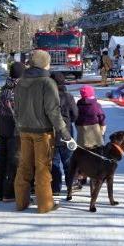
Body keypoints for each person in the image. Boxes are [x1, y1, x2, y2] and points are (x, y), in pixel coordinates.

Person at [13, 50, 75, 214]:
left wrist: (18, 125)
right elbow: (53, 111)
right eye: (48, 62)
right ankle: (45, 204)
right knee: (42, 169)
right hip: (42, 132)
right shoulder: (47, 83)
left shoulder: (20, 82)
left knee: (24, 166)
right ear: (43, 63)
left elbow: (16, 109)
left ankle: (21, 202)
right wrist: (65, 133)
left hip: (23, 131)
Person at [0, 61, 25, 202]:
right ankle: (8, 193)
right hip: (13, 130)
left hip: (2, 128)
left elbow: (0, 110)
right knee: (13, 161)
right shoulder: (19, 90)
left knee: (1, 159)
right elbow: (18, 114)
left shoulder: (4, 87)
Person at [50, 72, 78, 195]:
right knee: (68, 161)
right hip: (66, 133)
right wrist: (70, 121)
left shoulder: (47, 97)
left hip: (52, 134)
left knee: (54, 162)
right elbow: (75, 114)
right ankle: (71, 184)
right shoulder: (68, 97)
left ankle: (55, 187)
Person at [75, 85, 106, 149]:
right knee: (98, 148)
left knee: (82, 150)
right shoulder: (96, 105)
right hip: (95, 132)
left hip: (82, 133)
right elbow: (101, 118)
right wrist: (102, 129)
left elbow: (75, 118)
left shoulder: (78, 105)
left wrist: (78, 127)